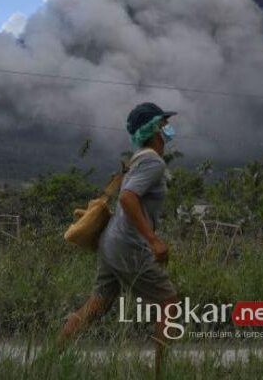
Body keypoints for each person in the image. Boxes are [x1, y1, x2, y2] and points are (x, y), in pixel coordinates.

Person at [60, 102, 179, 375]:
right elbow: (127, 198)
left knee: (97, 304)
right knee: (168, 302)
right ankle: (162, 373)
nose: (168, 129)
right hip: (127, 245)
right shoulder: (153, 161)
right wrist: (153, 240)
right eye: (164, 124)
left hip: (110, 242)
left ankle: (50, 358)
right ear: (155, 130)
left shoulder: (137, 159)